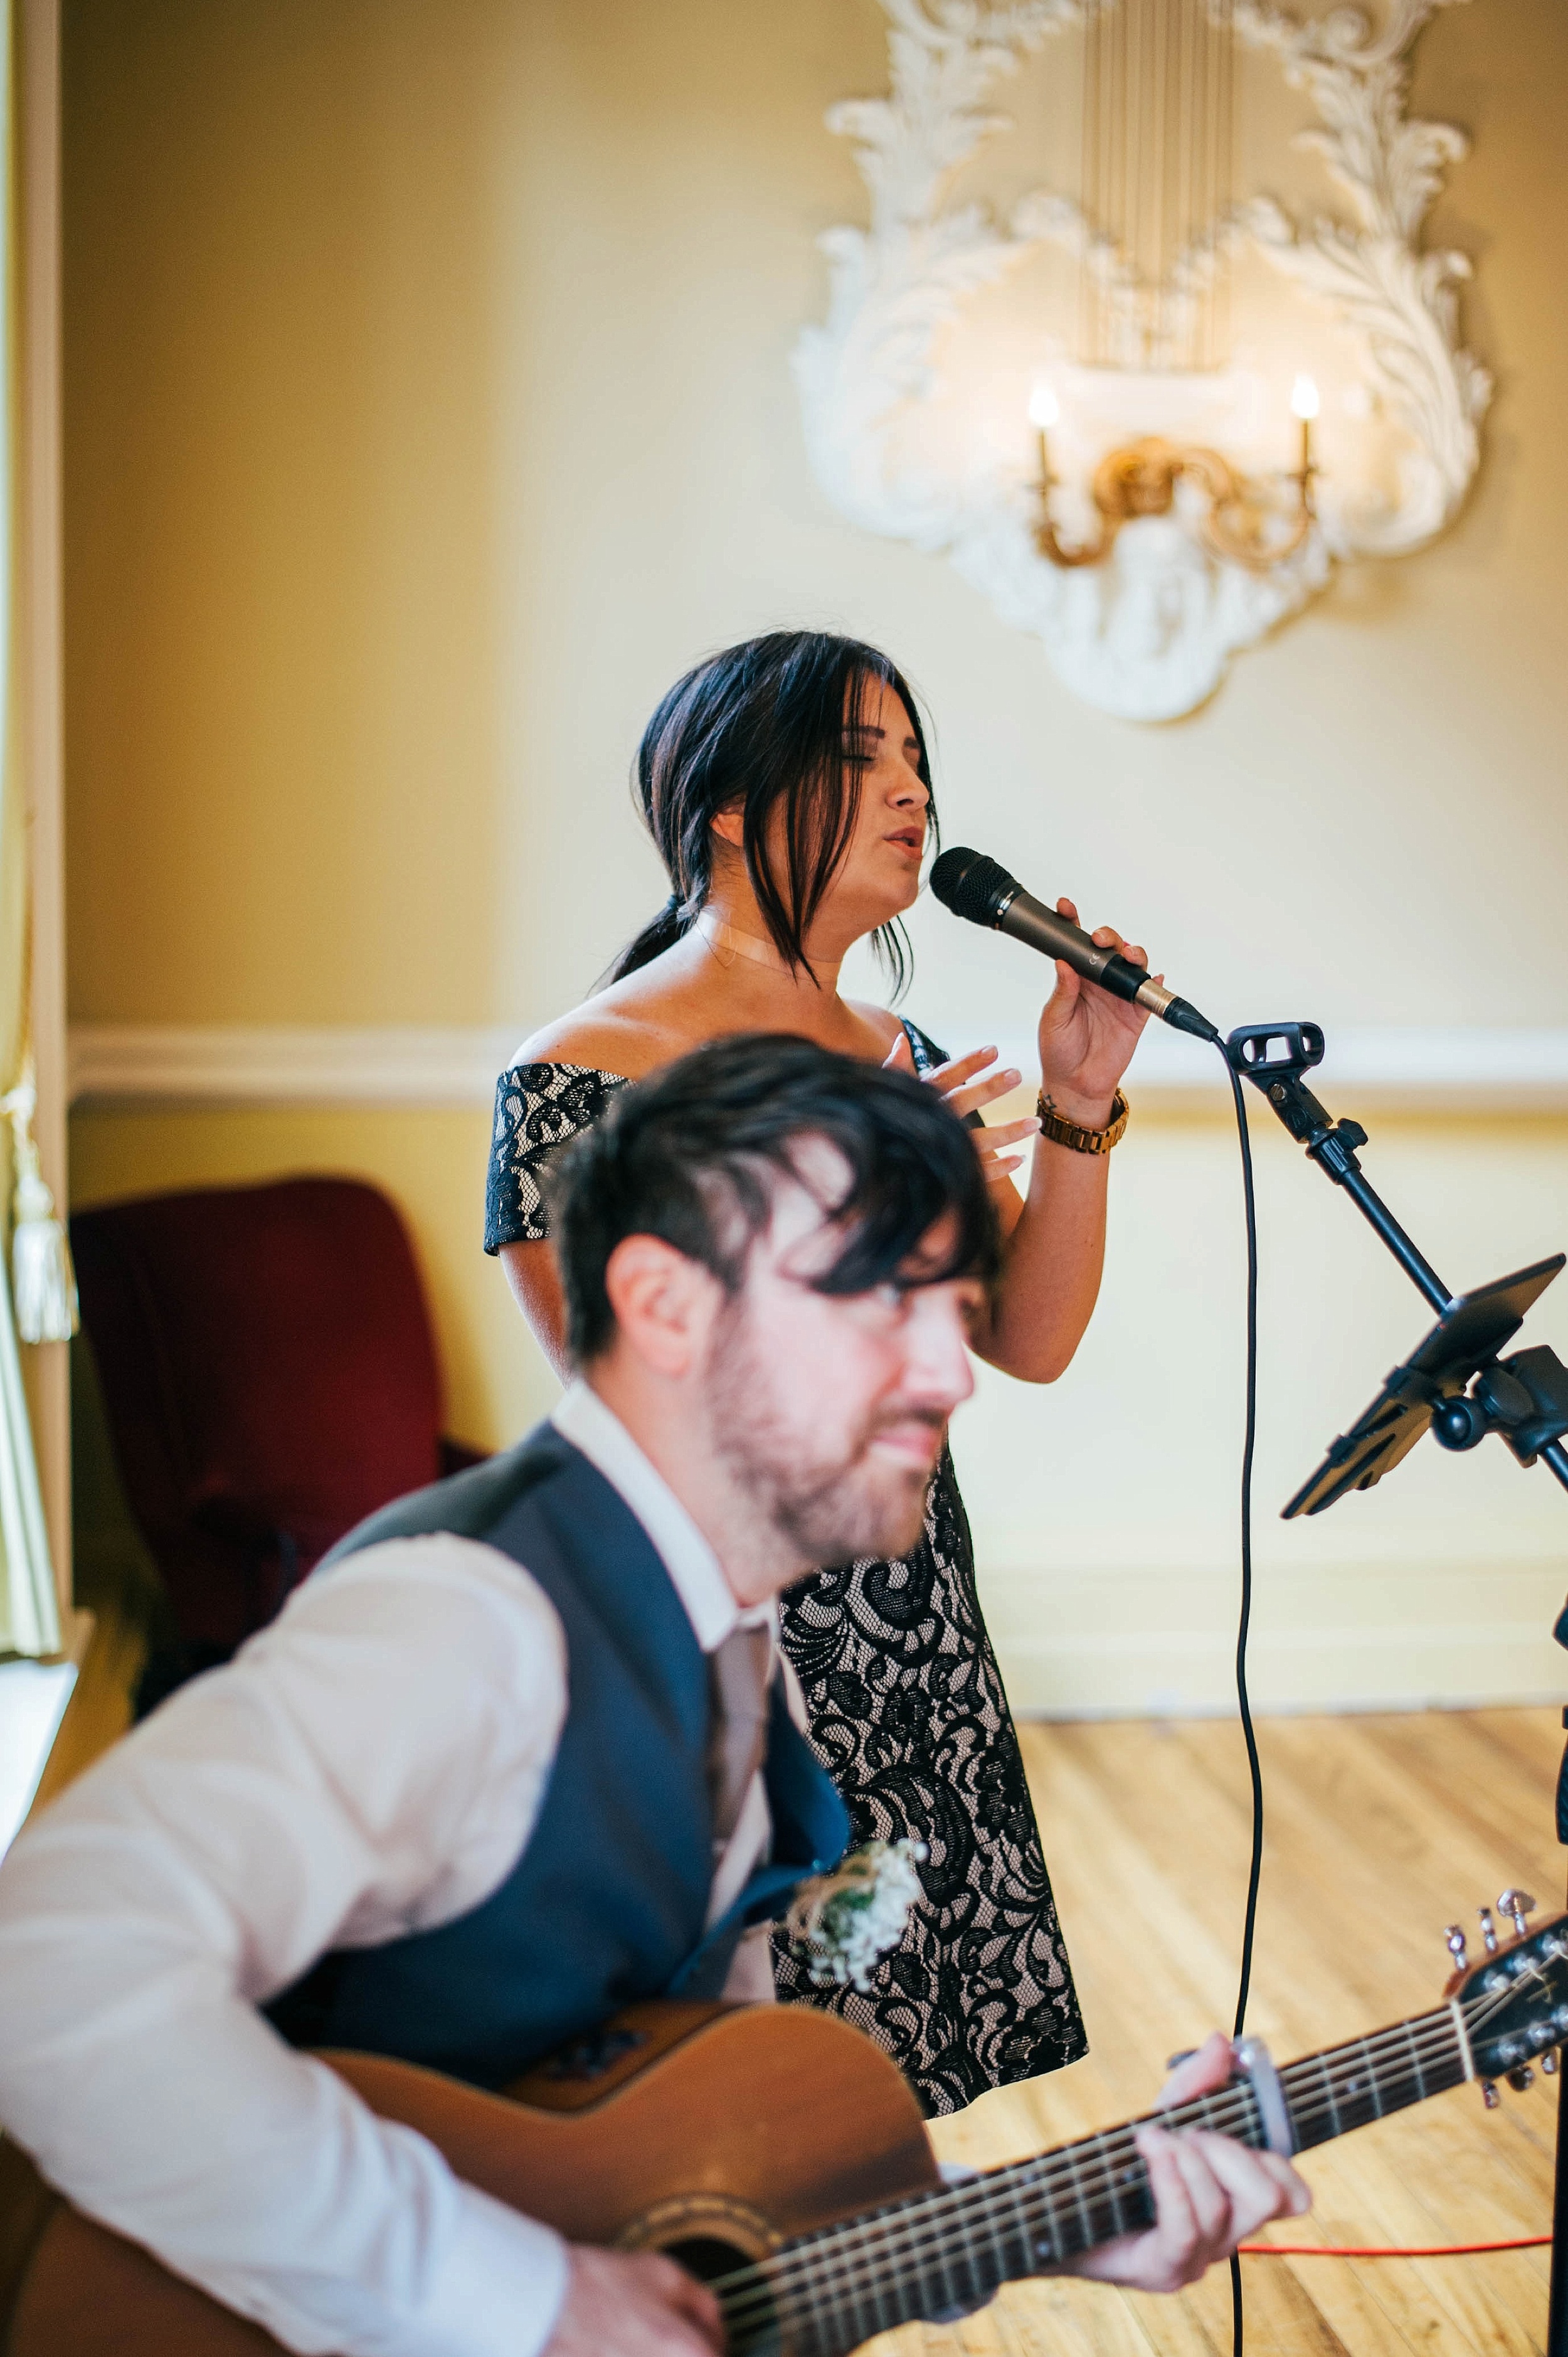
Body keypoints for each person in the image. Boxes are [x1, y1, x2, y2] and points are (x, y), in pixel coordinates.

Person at [0, 1038, 1307, 2357]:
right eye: (880, 1302)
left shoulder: (733, 1646)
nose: (951, 1370)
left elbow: (680, 2173)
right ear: (664, 1305)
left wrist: (1043, 2222)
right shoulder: (467, 1619)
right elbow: (46, 1968)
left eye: (954, 1304)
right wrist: (527, 2302)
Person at [487, 629, 1153, 2113]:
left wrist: (1073, 1104)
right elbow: (631, 1404)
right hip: (734, 1645)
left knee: (873, 2101)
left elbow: (1026, 1339)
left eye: (917, 758)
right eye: (864, 756)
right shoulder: (576, 1075)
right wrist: (850, 1207)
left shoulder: (893, 1047)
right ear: (729, 804)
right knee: (723, 2095)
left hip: (906, 1621)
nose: (912, 791)